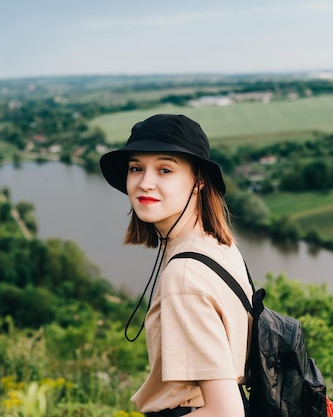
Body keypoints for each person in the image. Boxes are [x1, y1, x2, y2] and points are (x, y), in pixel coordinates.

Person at [100, 114, 252, 417]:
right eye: (136, 168)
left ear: (198, 181)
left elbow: (224, 413)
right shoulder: (219, 244)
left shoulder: (184, 275)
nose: (145, 183)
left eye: (165, 169)